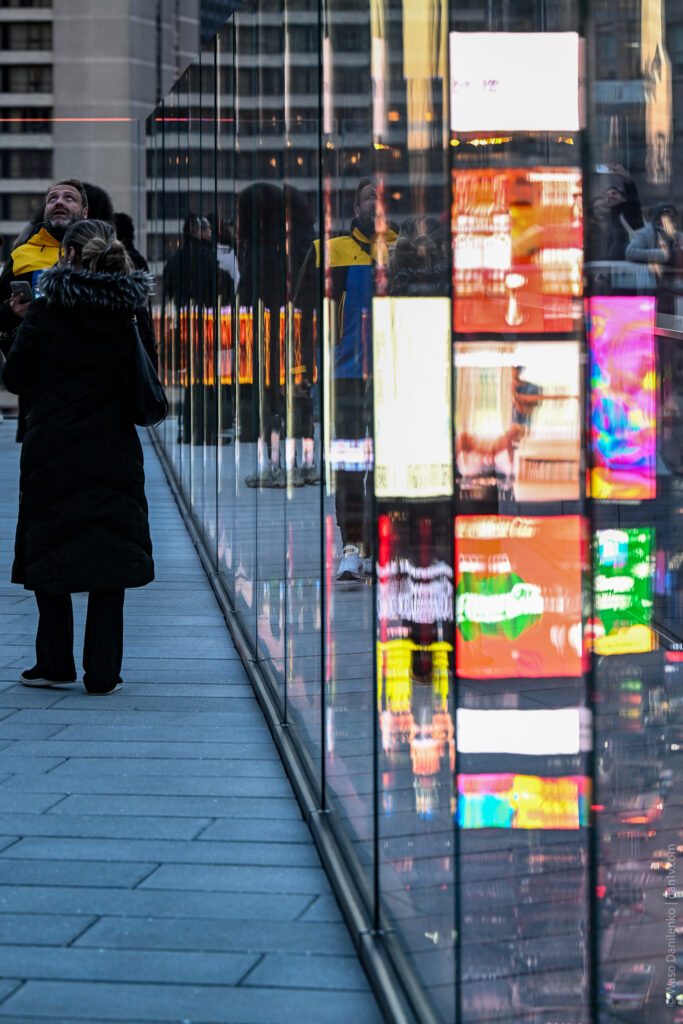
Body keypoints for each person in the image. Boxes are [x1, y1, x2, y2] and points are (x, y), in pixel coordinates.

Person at [2, 219, 156, 695]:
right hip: (112, 449)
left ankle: (54, 662)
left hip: (53, 448)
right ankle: (103, 671)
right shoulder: (127, 311)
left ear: (65, 257)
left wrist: (19, 322)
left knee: (51, 550)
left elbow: (16, 378)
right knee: (109, 555)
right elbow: (144, 379)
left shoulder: (47, 312)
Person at [314, 178, 397, 580]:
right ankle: (351, 547)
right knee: (349, 466)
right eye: (369, 195)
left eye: (380, 197)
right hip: (346, 378)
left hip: (389, 381)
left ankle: (379, 546)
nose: (375, 202)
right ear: (355, 206)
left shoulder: (402, 250)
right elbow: (305, 314)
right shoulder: (333, 251)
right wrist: (306, 370)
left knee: (385, 466)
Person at [0, 178, 89, 440]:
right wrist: (11, 312)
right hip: (39, 390)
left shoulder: (104, 252)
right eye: (53, 198)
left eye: (69, 198)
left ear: (85, 212)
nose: (59, 202)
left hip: (92, 387)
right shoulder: (22, 255)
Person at [626, 202, 683, 314]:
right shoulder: (647, 233)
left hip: (676, 288)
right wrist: (664, 255)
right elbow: (631, 252)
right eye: (667, 213)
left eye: (673, 214)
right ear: (657, 218)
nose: (671, 216)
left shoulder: (679, 236)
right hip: (651, 286)